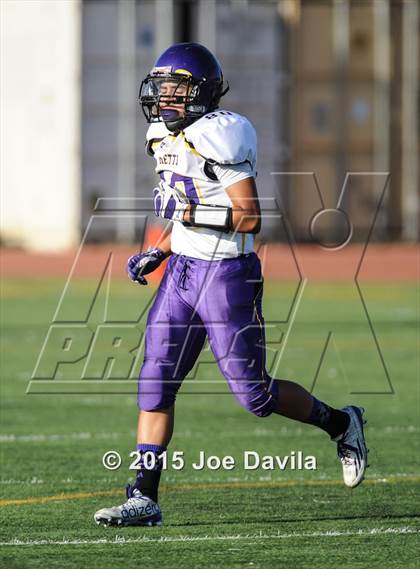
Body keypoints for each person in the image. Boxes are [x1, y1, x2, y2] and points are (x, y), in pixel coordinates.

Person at [94, 43, 368, 528]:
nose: (164, 97)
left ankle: (342, 423)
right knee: (155, 384)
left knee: (254, 396)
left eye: (176, 89)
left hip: (225, 276)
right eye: (161, 87)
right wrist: (161, 249)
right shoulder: (162, 135)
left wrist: (185, 214)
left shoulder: (221, 134)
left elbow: (249, 217)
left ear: (201, 93)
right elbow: (185, 203)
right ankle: (144, 497)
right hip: (182, 273)